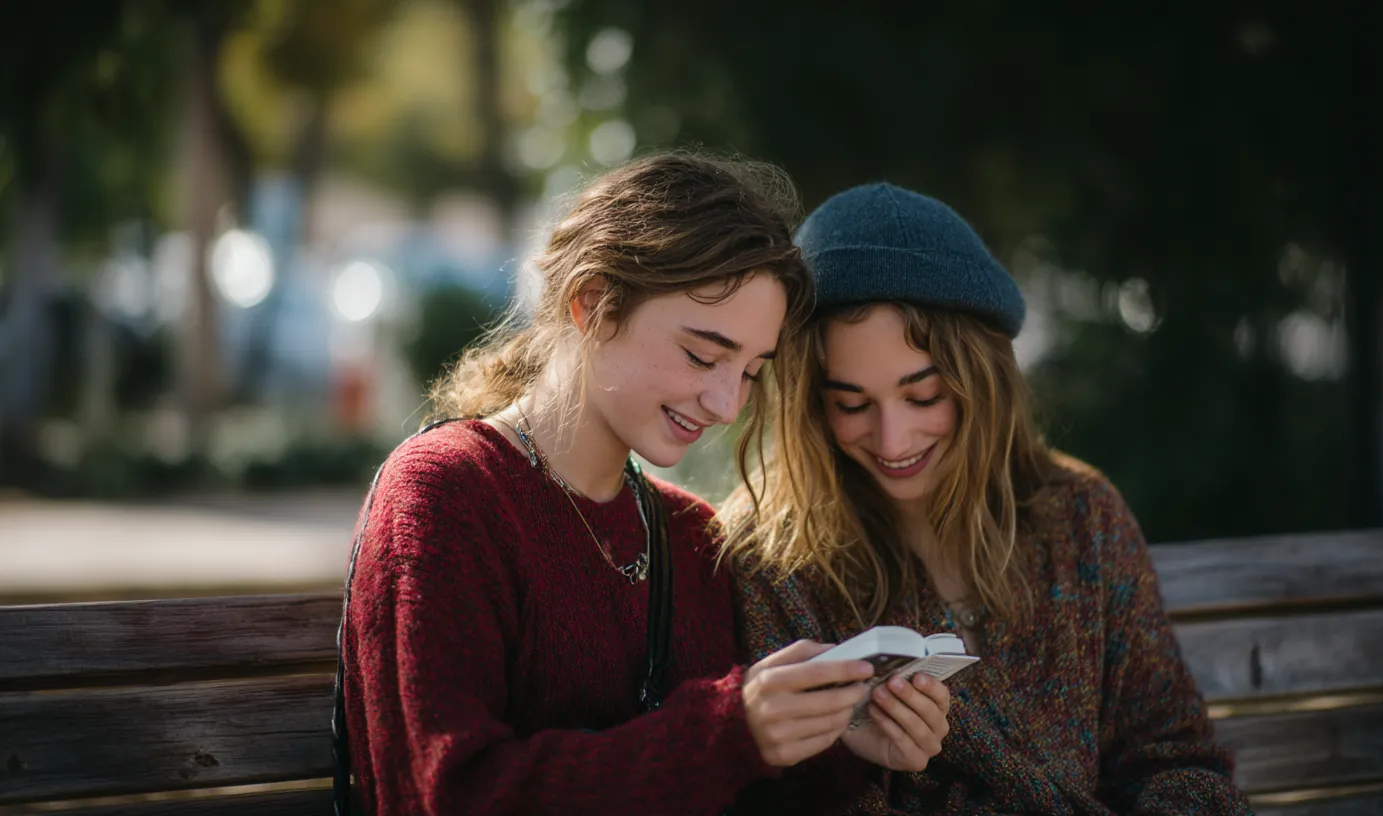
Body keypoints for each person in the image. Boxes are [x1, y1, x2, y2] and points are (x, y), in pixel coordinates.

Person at [337, 156, 950, 816]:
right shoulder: (447, 494)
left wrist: (840, 740)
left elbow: (720, 780)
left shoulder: (687, 534)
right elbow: (445, 793)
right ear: (594, 303)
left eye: (750, 371)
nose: (724, 403)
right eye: (702, 355)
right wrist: (729, 731)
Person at [720, 182, 1255, 815]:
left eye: (924, 396)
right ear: (809, 406)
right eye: (851, 404)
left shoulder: (1081, 517)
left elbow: (1174, 758)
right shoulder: (772, 561)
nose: (893, 439)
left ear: (983, 379)